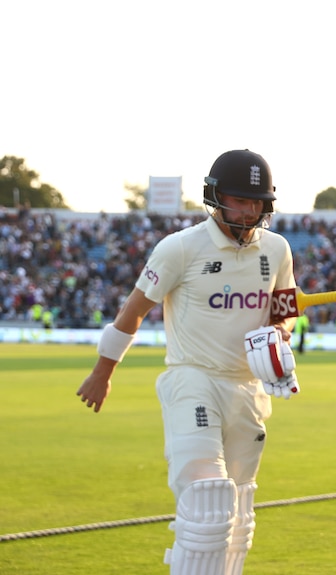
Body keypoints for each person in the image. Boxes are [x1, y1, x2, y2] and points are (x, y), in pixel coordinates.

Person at [77, 149, 300, 575]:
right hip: (193, 379)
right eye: (240, 200)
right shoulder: (180, 248)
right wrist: (102, 372)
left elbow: (283, 309)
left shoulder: (278, 249)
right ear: (215, 198)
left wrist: (279, 338)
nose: (249, 211)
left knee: (238, 511)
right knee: (206, 499)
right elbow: (133, 311)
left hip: (249, 389)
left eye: (257, 202)